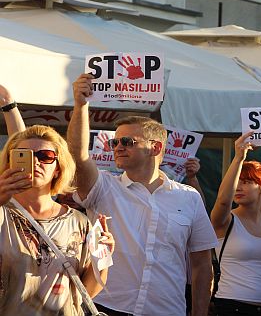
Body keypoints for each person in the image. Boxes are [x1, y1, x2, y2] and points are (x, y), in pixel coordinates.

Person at [68, 74, 219, 316]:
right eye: (115, 142)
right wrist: (81, 105)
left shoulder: (189, 197)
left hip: (167, 311)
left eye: (127, 141)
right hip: (106, 308)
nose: (118, 147)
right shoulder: (104, 186)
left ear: (155, 147)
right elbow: (78, 155)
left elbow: (202, 264)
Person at [0, 124, 114, 315]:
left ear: (58, 168)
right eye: (23, 155)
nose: (36, 162)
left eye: (45, 156)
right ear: (10, 162)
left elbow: (86, 293)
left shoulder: (79, 222)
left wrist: (103, 257)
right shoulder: (2, 212)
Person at [210, 132, 261, 315]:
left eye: (246, 182)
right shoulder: (226, 220)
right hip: (232, 307)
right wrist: (238, 157)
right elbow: (223, 200)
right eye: (237, 182)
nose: (238, 187)